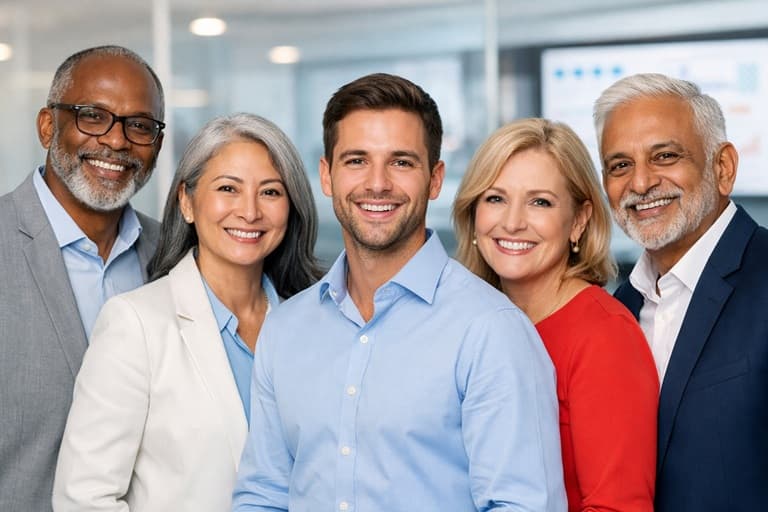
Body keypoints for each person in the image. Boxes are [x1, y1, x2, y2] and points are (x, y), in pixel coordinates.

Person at [231, 73, 566, 512]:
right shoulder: (287, 329)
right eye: (356, 161)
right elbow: (263, 496)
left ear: (435, 178)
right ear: (327, 175)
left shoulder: (491, 331)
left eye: (401, 162)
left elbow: (522, 505)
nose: (377, 183)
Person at [52, 113, 322, 512]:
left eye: (271, 192)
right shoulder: (135, 325)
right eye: (228, 188)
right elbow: (84, 499)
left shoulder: (315, 322)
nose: (249, 212)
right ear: (187, 202)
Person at [453, 118, 659, 511]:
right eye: (495, 198)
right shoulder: (468, 324)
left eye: (540, 202)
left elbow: (618, 505)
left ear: (578, 220)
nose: (512, 222)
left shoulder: (604, 336)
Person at [0, 45, 165, 512]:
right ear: (48, 126)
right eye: (93, 116)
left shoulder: (175, 257)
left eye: (139, 125)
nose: (116, 141)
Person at [593, 72, 768, 511]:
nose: (640, 183)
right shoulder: (621, 307)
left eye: (665, 156)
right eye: (620, 165)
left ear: (722, 167)